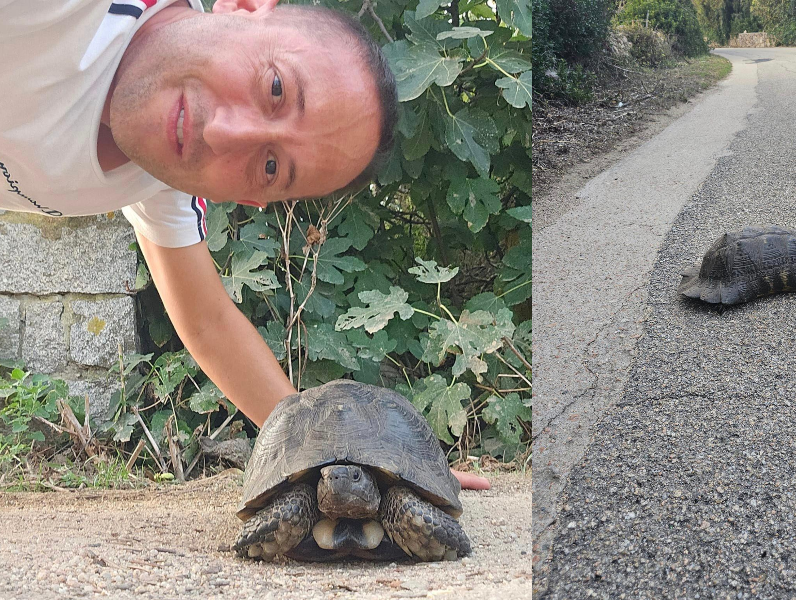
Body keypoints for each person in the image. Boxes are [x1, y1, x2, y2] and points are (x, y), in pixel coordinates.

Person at [0, 0, 490, 490]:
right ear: (245, 6)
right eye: (275, 87)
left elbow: (209, 321)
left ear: (248, 198)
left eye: (271, 165)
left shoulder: (161, 179)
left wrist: (370, 461)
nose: (222, 132)